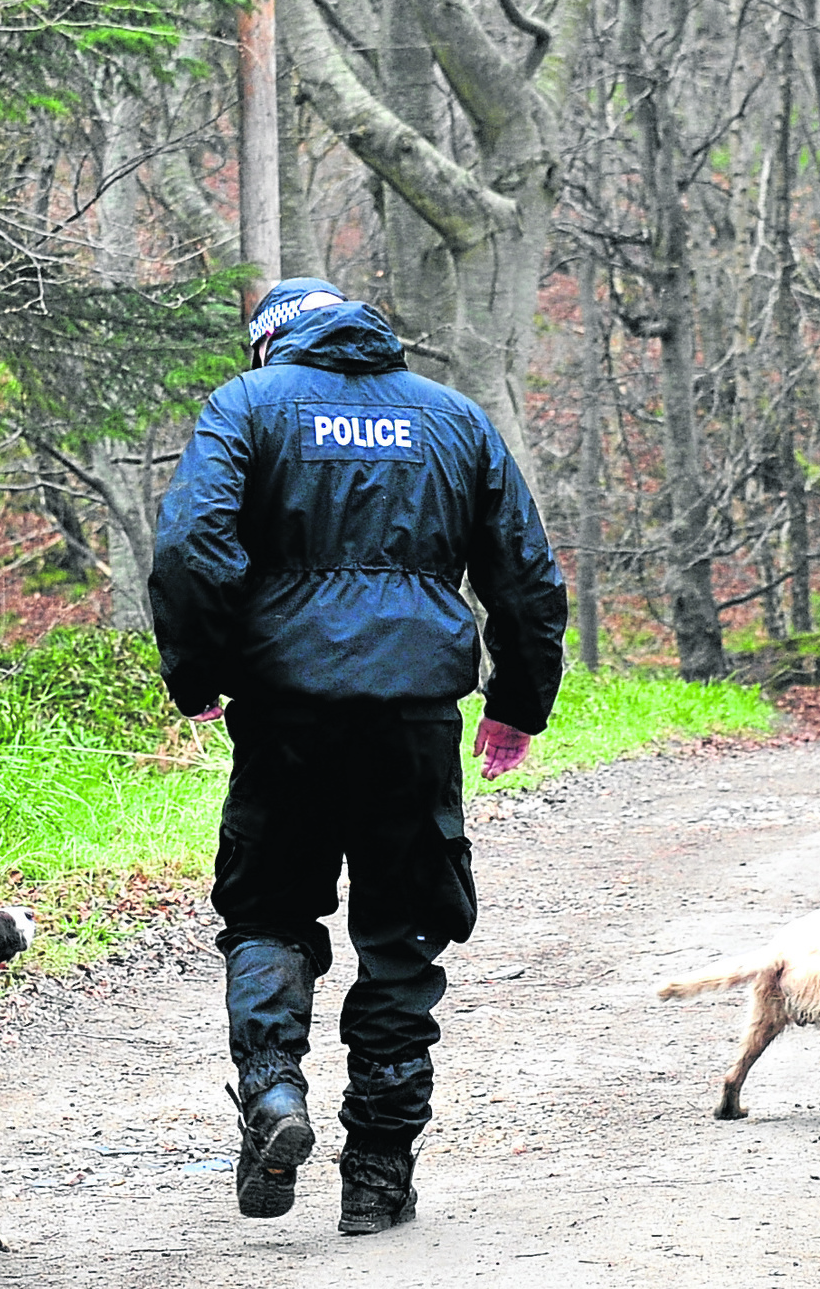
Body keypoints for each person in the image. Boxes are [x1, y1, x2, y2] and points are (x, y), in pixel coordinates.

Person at [149, 277, 568, 1234]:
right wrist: (518, 704)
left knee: (268, 910)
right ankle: (377, 1177)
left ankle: (273, 1095)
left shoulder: (248, 406)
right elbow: (528, 574)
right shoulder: (452, 418)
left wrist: (198, 672)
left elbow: (191, 550)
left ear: (269, 343)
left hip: (285, 710)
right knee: (403, 937)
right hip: (414, 717)